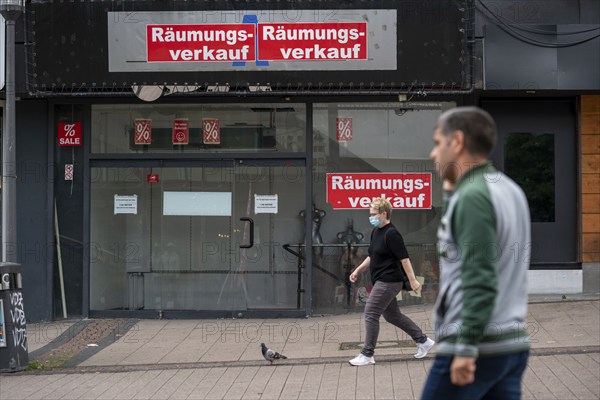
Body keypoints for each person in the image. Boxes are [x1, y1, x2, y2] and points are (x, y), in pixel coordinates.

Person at [422, 106, 531, 399]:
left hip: (476, 345)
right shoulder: (508, 190)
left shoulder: (473, 196)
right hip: (511, 344)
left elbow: (479, 276)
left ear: (457, 142)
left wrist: (466, 347)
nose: (433, 154)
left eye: (437, 143)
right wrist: (449, 193)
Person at [348, 197, 435, 366]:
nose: (370, 217)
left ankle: (367, 354)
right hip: (381, 280)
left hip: (389, 281)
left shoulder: (391, 233)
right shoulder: (376, 232)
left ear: (384, 214)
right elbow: (372, 256)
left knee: (371, 312)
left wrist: (413, 281)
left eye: (373, 214)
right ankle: (423, 341)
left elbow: (404, 259)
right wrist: (357, 270)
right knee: (393, 315)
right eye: (370, 214)